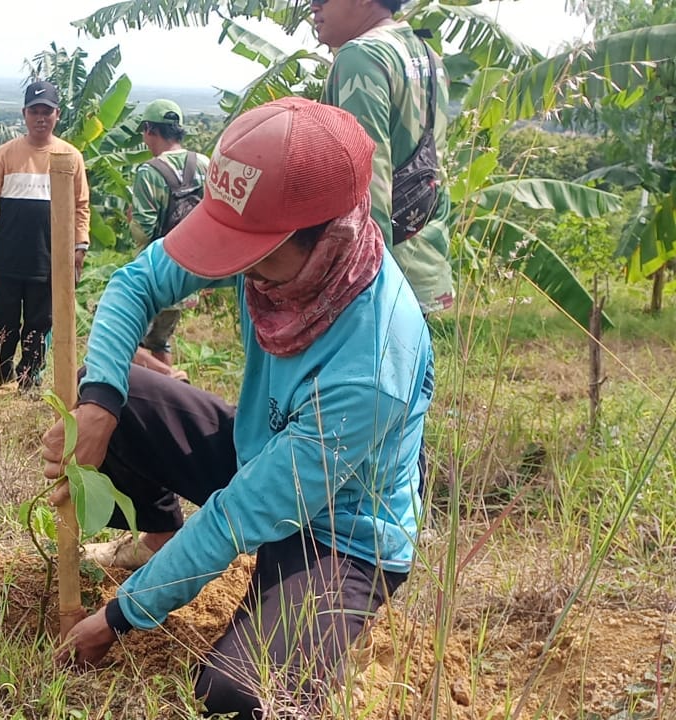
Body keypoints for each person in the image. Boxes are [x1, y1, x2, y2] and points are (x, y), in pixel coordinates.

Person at [40, 98, 433, 716]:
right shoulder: (282, 260)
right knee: (112, 386)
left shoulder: (373, 365)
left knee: (237, 697)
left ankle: (329, 617)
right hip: (262, 450)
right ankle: (157, 536)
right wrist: (98, 405)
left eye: (259, 257)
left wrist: (120, 616)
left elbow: (240, 515)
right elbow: (134, 283)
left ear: (328, 239)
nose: (243, 271)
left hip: (341, 529)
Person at [316, 0, 453, 315]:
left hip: (380, 282)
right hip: (426, 263)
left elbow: (365, 176)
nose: (313, 6)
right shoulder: (429, 57)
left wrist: (370, 285)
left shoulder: (361, 56)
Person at [0, 80, 89, 397]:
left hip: (50, 261)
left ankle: (30, 380)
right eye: (35, 111)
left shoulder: (70, 157)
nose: (40, 118)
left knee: (40, 324)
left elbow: (81, 206)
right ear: (24, 114)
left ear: (57, 114)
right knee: (2, 324)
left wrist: (79, 246)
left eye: (46, 111)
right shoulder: (5, 156)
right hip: (6, 259)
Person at [129, 99, 210, 377]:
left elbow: (142, 229)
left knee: (129, 342)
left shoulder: (149, 172)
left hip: (156, 270)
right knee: (161, 340)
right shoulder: (204, 164)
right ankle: (172, 390)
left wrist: (131, 221)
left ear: (151, 129)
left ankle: (168, 381)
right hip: (191, 271)